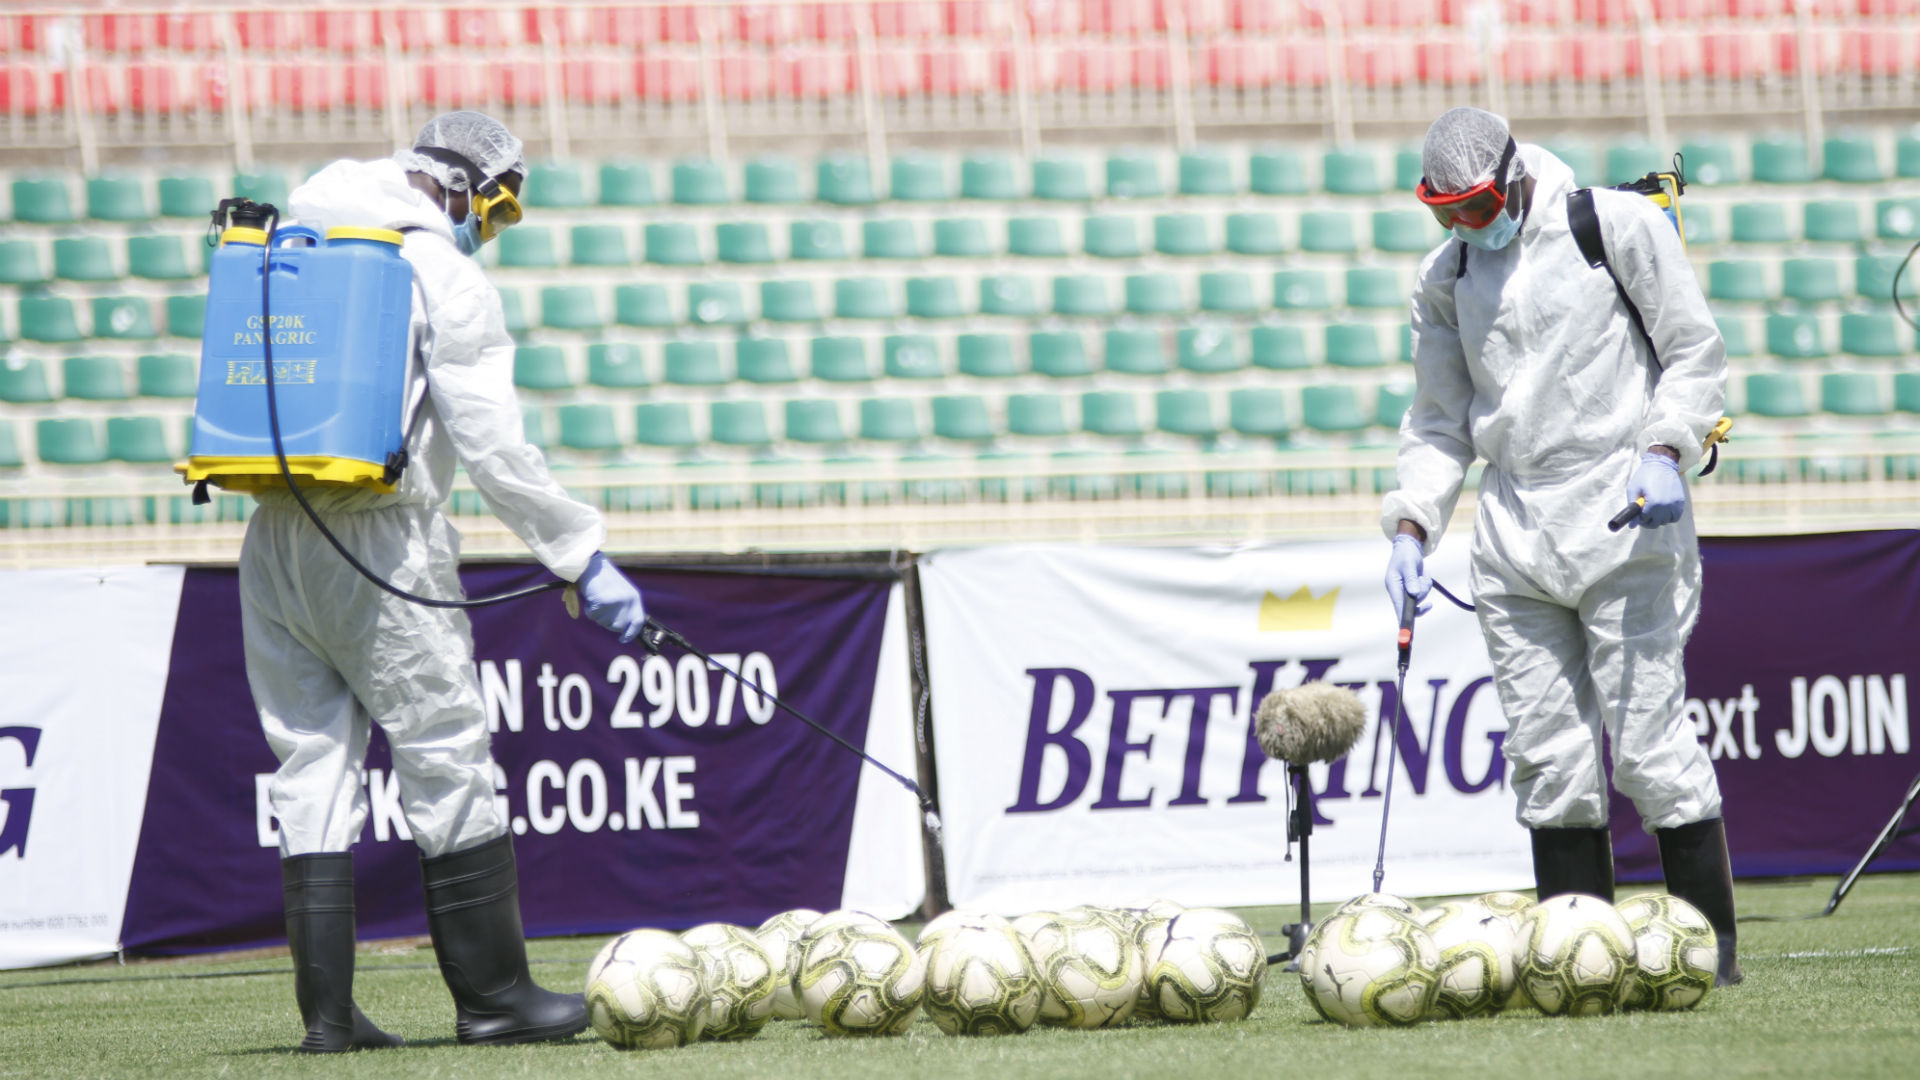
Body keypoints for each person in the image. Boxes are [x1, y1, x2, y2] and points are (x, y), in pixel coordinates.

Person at [242, 111, 648, 1051]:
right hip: (383, 543)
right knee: (446, 752)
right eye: (496, 212)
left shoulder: (296, 236)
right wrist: (578, 552)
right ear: (463, 187)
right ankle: (497, 997)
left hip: (273, 534)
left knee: (308, 763)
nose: (490, 233)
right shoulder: (442, 273)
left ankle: (329, 1019)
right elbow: (494, 449)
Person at [1381, 107, 1740, 985]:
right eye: (1445, 213)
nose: (1464, 226)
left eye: (1472, 207)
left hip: (1624, 510)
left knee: (1651, 749)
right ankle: (1579, 959)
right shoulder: (1447, 275)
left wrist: (1665, 449)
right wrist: (1412, 526)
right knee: (1549, 762)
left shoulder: (1613, 226)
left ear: (1510, 179)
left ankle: (1710, 955)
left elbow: (1694, 353)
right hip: (1513, 532)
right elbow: (1437, 420)